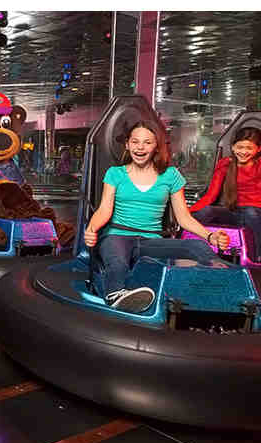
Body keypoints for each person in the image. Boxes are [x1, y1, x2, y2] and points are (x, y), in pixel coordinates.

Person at [84, 121, 231, 313]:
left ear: (156, 147)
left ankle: (224, 286)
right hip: (117, 235)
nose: (140, 147)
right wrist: (92, 229)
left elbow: (183, 218)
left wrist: (210, 236)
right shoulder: (115, 173)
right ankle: (115, 295)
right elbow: (104, 209)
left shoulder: (171, 175)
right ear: (127, 145)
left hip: (151, 240)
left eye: (147, 142)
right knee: (118, 262)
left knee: (197, 246)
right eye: (135, 142)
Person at [190, 127, 261, 262]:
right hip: (234, 212)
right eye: (240, 147)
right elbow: (210, 196)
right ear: (233, 147)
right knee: (206, 211)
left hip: (256, 214)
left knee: (251, 213)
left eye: (249, 148)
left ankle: (257, 257)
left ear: (258, 149)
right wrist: (187, 213)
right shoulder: (225, 164)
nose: (244, 152)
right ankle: (192, 248)